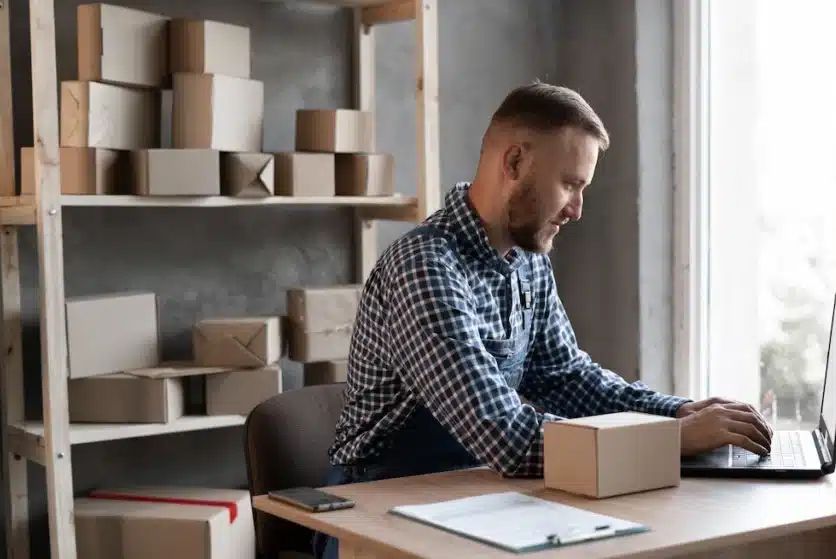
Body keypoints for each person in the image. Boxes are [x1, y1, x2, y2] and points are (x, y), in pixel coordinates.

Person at [312, 82, 772, 559]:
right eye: (570, 184)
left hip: (471, 493)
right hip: (374, 513)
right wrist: (671, 440)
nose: (577, 210)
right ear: (514, 163)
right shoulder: (424, 267)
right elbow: (504, 435)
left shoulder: (528, 260)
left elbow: (568, 379)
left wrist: (680, 412)